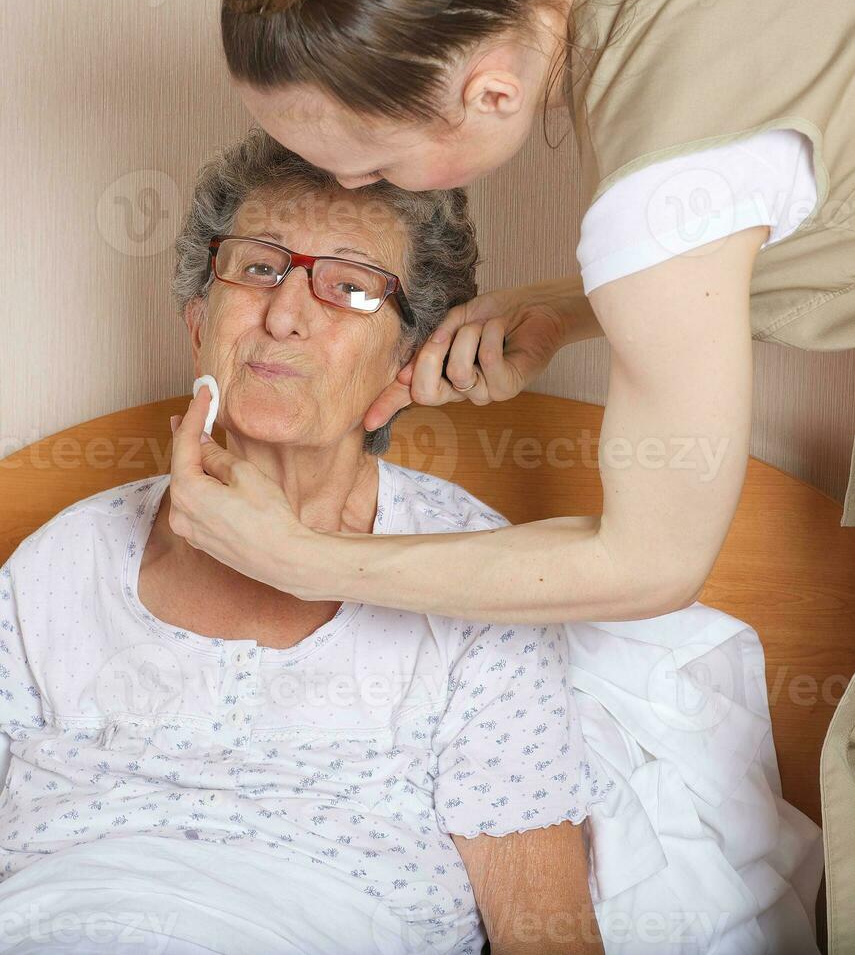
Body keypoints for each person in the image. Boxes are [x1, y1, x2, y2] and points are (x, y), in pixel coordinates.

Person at [0, 130, 607, 954]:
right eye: (257, 269)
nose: (284, 314)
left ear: (406, 358)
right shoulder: (62, 563)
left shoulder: (476, 575)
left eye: (351, 288)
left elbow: (548, 937)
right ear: (197, 325)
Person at [165, 0, 855, 626]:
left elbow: (654, 568)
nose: (350, 188)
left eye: (376, 164)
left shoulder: (660, 194)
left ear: (492, 94)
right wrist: (574, 306)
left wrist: (300, 561)